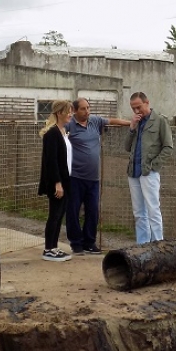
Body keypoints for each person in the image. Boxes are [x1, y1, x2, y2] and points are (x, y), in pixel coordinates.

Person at [64, 98, 130, 255]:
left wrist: (131, 123)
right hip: (75, 177)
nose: (87, 111)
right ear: (74, 111)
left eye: (88, 108)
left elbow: (112, 120)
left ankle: (89, 242)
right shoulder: (69, 126)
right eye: (83, 109)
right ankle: (76, 243)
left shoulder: (94, 121)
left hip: (93, 178)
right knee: (73, 211)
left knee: (93, 210)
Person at [125, 91, 173, 244]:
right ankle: (142, 245)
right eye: (133, 108)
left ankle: (158, 243)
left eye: (139, 107)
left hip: (148, 172)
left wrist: (154, 166)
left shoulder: (160, 121)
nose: (137, 111)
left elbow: (168, 147)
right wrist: (132, 127)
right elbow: (126, 147)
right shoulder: (136, 122)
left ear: (147, 103)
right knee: (139, 212)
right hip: (133, 171)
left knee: (153, 210)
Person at [38, 100, 74, 261]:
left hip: (66, 179)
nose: (70, 114)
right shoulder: (52, 133)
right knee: (54, 214)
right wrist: (57, 183)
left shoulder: (62, 131)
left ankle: (54, 247)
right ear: (59, 113)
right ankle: (48, 249)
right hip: (57, 181)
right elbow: (51, 161)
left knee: (60, 215)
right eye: (68, 112)